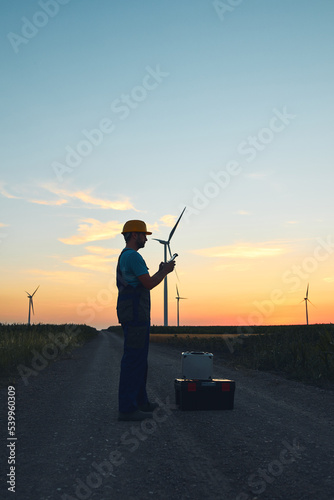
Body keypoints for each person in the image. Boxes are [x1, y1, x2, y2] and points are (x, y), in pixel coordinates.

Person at [116, 220, 176, 421]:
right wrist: (165, 272)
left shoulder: (125, 256)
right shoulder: (134, 256)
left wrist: (160, 271)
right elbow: (148, 283)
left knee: (139, 360)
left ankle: (141, 402)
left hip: (132, 312)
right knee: (134, 360)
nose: (147, 238)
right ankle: (128, 409)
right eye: (144, 235)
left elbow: (143, 281)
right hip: (135, 314)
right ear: (134, 235)